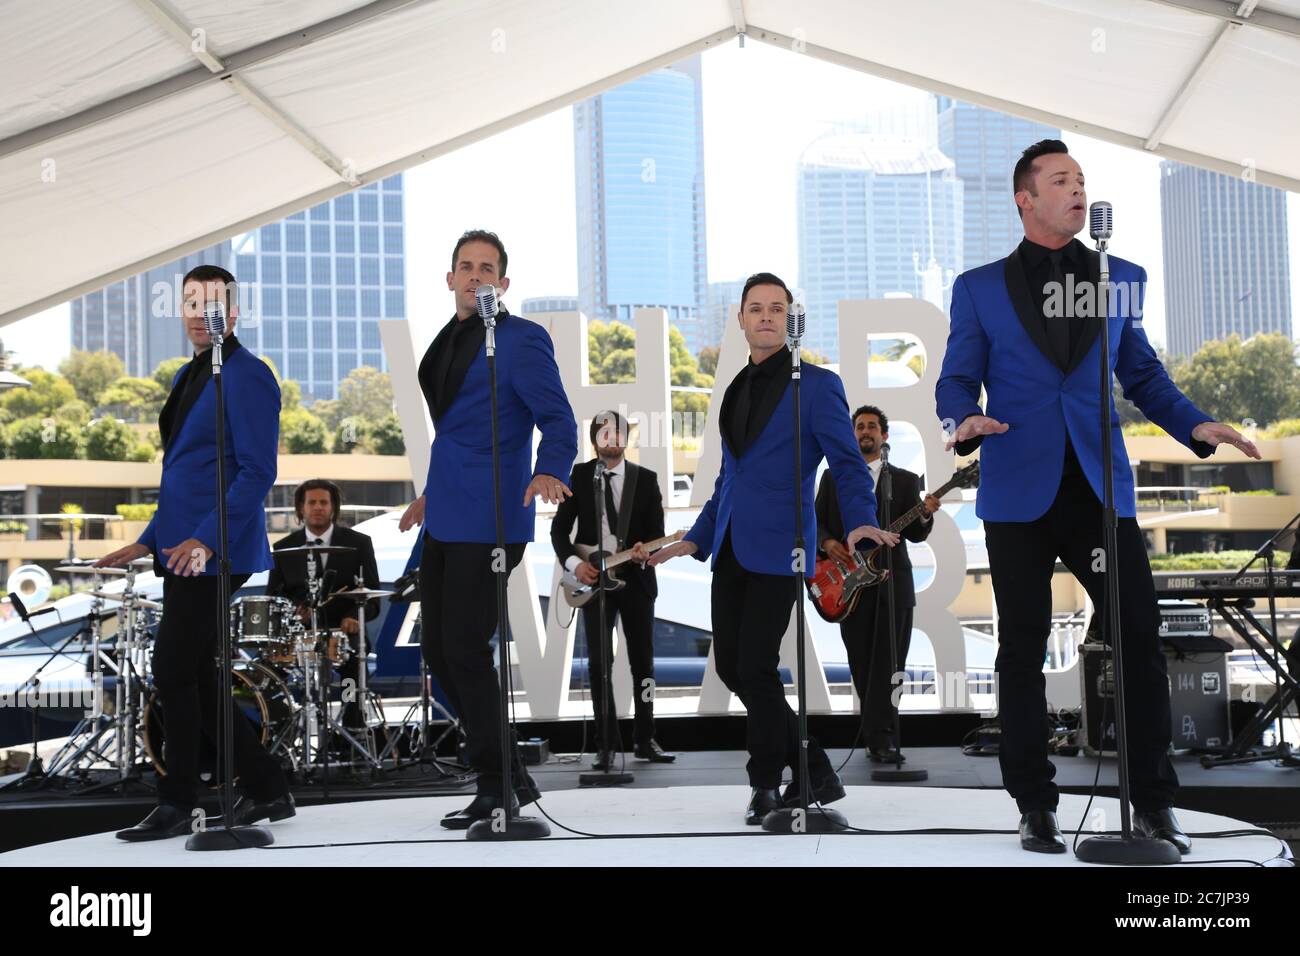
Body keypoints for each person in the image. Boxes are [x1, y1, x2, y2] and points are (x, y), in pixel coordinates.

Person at [935, 139, 1260, 854]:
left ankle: (1151, 803)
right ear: (1026, 199)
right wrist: (962, 421)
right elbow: (956, 379)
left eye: (1081, 179)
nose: (1077, 189)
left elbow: (1142, 373)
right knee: (1019, 650)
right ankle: (1034, 805)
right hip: (1019, 489)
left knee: (1139, 638)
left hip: (1099, 489)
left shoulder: (1123, 277)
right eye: (1060, 180)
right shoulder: (979, 288)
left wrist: (1194, 423)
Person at [651, 272, 899, 824]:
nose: (766, 316)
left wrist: (859, 520)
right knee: (733, 669)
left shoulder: (817, 385)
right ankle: (811, 763)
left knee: (756, 666)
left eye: (776, 308)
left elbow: (847, 461)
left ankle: (766, 782)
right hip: (733, 546)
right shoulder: (736, 387)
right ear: (740, 319)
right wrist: (694, 538)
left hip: (785, 545)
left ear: (790, 318)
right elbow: (728, 481)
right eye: (755, 308)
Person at [100, 264, 294, 840]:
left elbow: (258, 472)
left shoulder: (248, 374)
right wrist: (148, 538)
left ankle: (180, 800)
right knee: (196, 674)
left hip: (216, 550)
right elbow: (185, 474)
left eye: (209, 303)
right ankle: (265, 787)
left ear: (233, 313)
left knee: (173, 667)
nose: (197, 313)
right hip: (181, 548)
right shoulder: (191, 374)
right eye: (188, 302)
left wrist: (205, 538)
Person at [398, 229, 578, 829]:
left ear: (504, 282)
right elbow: (457, 433)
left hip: (495, 513)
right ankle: (507, 774)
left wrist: (550, 469)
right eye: (466, 267)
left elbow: (556, 417)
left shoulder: (521, 340)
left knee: (468, 652)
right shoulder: (447, 340)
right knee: (439, 653)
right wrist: (429, 495)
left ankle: (497, 784)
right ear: (449, 279)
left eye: (488, 269)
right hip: (446, 512)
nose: (477, 277)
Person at [551, 410, 675, 769]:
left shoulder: (645, 480)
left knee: (644, 665)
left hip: (635, 581)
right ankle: (604, 744)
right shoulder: (577, 476)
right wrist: (577, 565)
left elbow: (655, 533)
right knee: (598, 666)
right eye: (604, 433)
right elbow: (560, 532)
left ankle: (644, 738)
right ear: (594, 440)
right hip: (594, 584)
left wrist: (642, 551)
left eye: (617, 433)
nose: (611, 439)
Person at [815, 404, 939, 762]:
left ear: (884, 437)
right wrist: (827, 543)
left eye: (872, 427)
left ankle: (881, 736)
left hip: (894, 583)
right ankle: (875, 734)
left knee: (891, 664)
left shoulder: (903, 481)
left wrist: (926, 513)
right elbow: (816, 521)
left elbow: (915, 534)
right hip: (849, 586)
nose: (865, 431)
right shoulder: (833, 477)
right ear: (852, 436)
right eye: (859, 427)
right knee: (862, 662)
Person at [267, 478, 381, 749]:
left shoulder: (359, 544)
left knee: (355, 665)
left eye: (323, 502)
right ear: (301, 508)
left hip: (344, 633)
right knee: (269, 672)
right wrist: (294, 614)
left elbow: (373, 597)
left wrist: (355, 616)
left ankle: (351, 734)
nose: (318, 508)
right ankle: (282, 739)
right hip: (298, 635)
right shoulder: (283, 548)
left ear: (333, 507)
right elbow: (275, 598)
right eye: (312, 502)